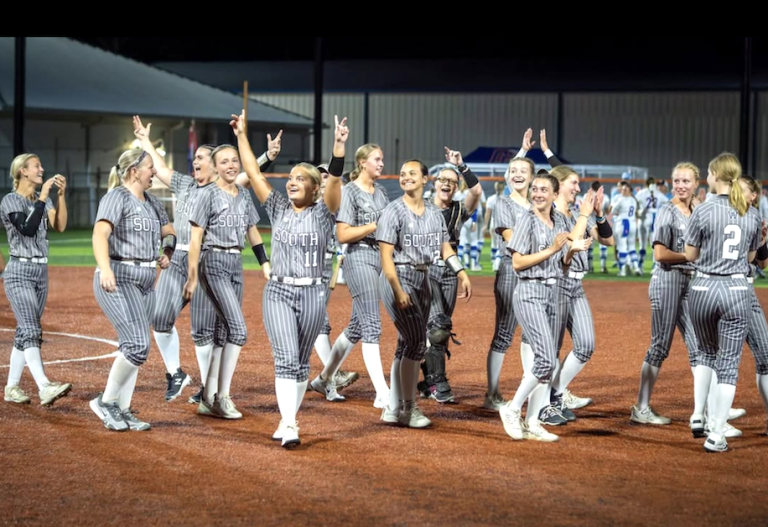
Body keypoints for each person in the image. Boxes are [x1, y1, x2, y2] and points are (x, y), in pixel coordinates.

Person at [132, 115, 278, 404]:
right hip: (179, 260)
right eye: (195, 157)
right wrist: (143, 139)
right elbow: (160, 168)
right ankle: (176, 373)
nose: (195, 161)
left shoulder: (224, 188)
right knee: (160, 318)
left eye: (200, 157)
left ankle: (206, 389)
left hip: (206, 259)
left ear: (214, 164)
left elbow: (247, 172)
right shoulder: (186, 185)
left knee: (202, 330)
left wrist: (267, 156)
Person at [232, 110, 346, 448]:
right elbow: (252, 172)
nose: (291, 180)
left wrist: (339, 146)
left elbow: (336, 182)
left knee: (299, 363)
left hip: (313, 294)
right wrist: (241, 135)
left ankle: (288, 419)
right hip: (279, 291)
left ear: (314, 188)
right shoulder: (279, 208)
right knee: (284, 357)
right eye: (290, 176)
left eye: (300, 177)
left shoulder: (325, 214)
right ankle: (290, 422)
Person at [378, 159, 472, 428]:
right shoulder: (393, 211)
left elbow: (445, 248)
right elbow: (385, 257)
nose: (405, 177)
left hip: (424, 278)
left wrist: (461, 272)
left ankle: (393, 407)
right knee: (417, 342)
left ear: (424, 180)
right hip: (400, 277)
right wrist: (397, 289)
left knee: (405, 345)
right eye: (402, 174)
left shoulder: (433, 213)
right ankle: (409, 408)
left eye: (412, 173)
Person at [90, 148, 176, 431]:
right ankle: (106, 402)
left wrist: (167, 251)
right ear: (133, 171)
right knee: (138, 345)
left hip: (146, 280)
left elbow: (170, 231)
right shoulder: (116, 196)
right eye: (150, 167)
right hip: (120, 276)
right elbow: (100, 233)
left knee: (133, 348)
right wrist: (105, 269)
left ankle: (123, 410)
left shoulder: (151, 201)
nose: (154, 172)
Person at [499, 173, 589, 442]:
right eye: (534, 189)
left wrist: (572, 251)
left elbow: (562, 263)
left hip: (553, 292)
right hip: (530, 293)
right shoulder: (526, 218)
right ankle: (512, 408)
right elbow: (517, 263)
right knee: (547, 360)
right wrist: (552, 250)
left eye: (543, 190)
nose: (537, 193)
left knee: (547, 365)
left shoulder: (560, 220)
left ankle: (533, 421)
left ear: (553, 194)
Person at [182, 142, 267, 420]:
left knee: (222, 334)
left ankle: (207, 398)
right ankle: (222, 397)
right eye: (224, 162)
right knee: (238, 331)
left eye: (234, 161)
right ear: (215, 167)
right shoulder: (206, 194)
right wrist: (192, 277)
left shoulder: (243, 195)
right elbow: (195, 238)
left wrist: (265, 262)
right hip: (213, 262)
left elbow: (252, 231)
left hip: (235, 263)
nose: (231, 165)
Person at [684, 152, 761, 452]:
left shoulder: (702, 210)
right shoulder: (751, 213)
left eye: (709, 172)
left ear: (717, 175)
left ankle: (696, 415)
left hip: (702, 287)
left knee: (704, 352)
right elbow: (753, 259)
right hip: (735, 290)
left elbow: (690, 256)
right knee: (728, 365)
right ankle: (717, 433)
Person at [311, 142, 390, 408]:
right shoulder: (350, 192)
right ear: (362, 162)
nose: (381, 164)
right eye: (377, 159)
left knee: (357, 326)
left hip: (379, 259)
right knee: (372, 325)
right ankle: (382, 393)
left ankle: (325, 377)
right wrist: (374, 226)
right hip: (359, 258)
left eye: (382, 160)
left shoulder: (381, 193)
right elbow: (343, 234)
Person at [630, 162, 703, 425]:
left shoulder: (697, 209)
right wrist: (689, 255)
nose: (681, 186)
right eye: (677, 181)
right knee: (660, 345)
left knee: (700, 347)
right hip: (668, 280)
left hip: (689, 281)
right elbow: (660, 254)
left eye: (686, 181)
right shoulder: (667, 210)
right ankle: (641, 407)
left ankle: (709, 407)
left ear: (697, 183)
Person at [1, 153, 72, 406]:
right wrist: (42, 197)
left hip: (41, 273)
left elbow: (60, 225)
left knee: (24, 331)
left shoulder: (44, 200)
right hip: (19, 271)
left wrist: (60, 196)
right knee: (32, 329)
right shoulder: (10, 200)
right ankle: (44, 386)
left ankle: (11, 388)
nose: (42, 169)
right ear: (23, 171)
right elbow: (27, 229)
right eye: (36, 166)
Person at [416, 147, 482, 403]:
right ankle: (438, 383)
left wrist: (462, 165)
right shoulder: (420, 208)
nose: (447, 184)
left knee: (439, 330)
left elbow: (476, 191)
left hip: (449, 273)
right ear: (434, 183)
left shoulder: (458, 210)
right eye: (443, 180)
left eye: (452, 182)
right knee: (437, 327)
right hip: (425, 271)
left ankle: (428, 379)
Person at [546, 165, 611, 423]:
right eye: (573, 183)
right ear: (559, 185)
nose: (578, 188)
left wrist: (598, 213)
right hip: (557, 284)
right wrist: (585, 215)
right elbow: (567, 248)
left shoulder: (576, 213)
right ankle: (545, 403)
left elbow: (608, 240)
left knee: (586, 345)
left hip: (577, 286)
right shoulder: (550, 215)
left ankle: (555, 392)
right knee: (552, 349)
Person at [311, 165, 358, 391]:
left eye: (327, 177)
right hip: (311, 266)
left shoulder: (336, 205)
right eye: (320, 176)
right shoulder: (311, 205)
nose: (323, 179)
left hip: (325, 266)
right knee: (318, 320)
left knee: (319, 320)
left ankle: (330, 374)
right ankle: (331, 374)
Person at [737, 175, 768, 433]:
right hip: (732, 291)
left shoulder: (755, 217)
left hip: (745, 290)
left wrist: (763, 241)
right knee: (719, 359)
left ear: (753, 195)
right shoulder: (725, 212)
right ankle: (711, 416)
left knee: (766, 357)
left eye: (742, 188)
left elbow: (761, 263)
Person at [484, 181, 506, 272]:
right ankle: (496, 264)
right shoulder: (506, 199)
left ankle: (494, 262)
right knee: (501, 245)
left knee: (493, 244)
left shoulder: (491, 199)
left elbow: (487, 214)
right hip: (503, 224)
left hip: (493, 224)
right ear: (503, 188)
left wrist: (486, 225)